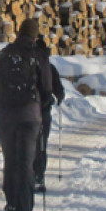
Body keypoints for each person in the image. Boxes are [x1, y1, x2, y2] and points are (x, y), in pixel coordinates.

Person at [0, 18, 52, 211]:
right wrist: (44, 110)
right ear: (34, 36)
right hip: (30, 117)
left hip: (5, 117)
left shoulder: (2, 56)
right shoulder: (38, 57)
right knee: (26, 164)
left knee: (10, 161)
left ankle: (11, 205)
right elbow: (47, 89)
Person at [33, 42, 65, 193]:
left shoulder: (27, 65)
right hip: (44, 111)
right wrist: (59, 97)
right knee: (41, 145)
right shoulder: (49, 67)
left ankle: (28, 175)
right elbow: (59, 90)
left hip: (27, 111)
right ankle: (39, 177)